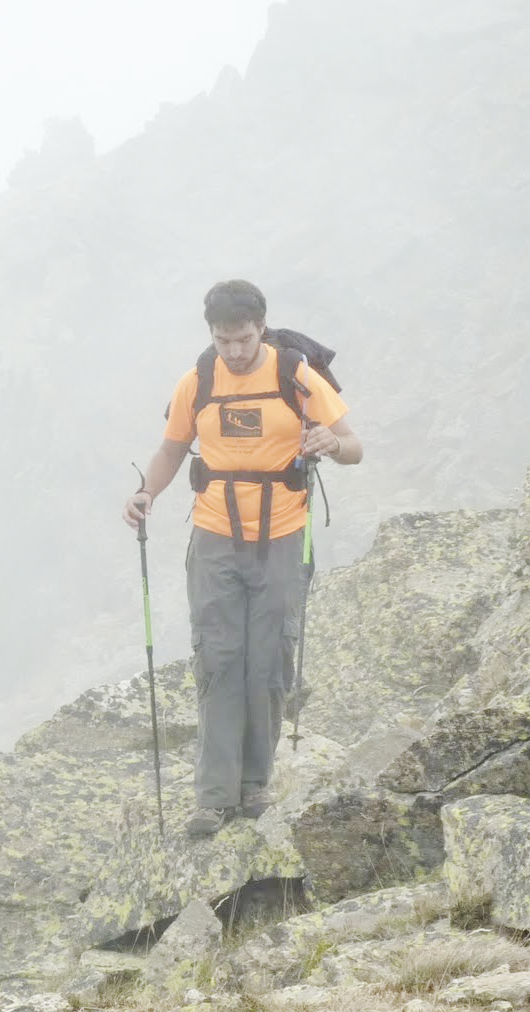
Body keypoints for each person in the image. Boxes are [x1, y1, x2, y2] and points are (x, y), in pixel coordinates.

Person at [123, 280, 362, 837]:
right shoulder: (199, 381)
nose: (233, 351)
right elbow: (172, 448)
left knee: (268, 662)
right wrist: (145, 493)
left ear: (262, 328)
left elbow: (354, 446)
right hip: (214, 539)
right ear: (211, 334)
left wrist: (330, 443)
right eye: (223, 340)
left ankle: (255, 785)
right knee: (218, 660)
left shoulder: (296, 376)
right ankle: (213, 798)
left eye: (244, 340)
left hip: (282, 538)